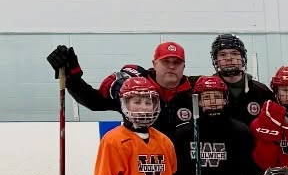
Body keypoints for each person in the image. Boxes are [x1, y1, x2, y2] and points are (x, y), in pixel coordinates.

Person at [90, 75, 181, 175]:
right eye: (137, 102)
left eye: (148, 102)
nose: (144, 107)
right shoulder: (113, 140)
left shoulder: (165, 141)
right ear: (125, 104)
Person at [49, 41, 196, 136]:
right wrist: (72, 79)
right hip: (140, 166)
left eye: (177, 62)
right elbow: (95, 102)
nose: (171, 66)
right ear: (154, 63)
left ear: (184, 66)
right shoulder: (135, 92)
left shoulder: (196, 94)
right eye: (165, 61)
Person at [208, 33, 275, 122]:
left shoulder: (262, 91)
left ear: (243, 57)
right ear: (216, 60)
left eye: (234, 53)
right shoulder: (205, 92)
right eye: (223, 54)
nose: (229, 58)